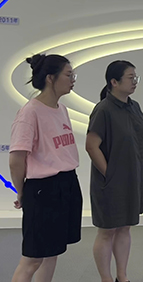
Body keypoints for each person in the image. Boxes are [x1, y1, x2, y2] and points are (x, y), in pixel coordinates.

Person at [9, 54, 82, 282]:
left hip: (67, 184)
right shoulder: (30, 112)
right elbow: (16, 158)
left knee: (52, 252)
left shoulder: (62, 109)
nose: (73, 80)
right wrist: (21, 191)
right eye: (68, 75)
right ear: (51, 78)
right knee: (32, 259)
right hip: (43, 189)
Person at [85, 60, 143, 282]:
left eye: (136, 77)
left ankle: (122, 277)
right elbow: (92, 146)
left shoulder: (134, 106)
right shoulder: (103, 110)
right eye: (130, 78)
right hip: (110, 182)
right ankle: (106, 279)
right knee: (107, 230)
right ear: (114, 82)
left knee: (125, 227)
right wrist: (109, 175)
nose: (135, 82)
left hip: (132, 178)